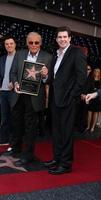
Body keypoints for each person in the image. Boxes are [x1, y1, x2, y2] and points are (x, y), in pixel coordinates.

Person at [44, 26, 87, 175]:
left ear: (69, 38)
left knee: (66, 132)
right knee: (56, 131)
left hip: (68, 100)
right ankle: (57, 159)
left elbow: (82, 77)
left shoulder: (76, 53)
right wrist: (45, 76)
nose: (62, 39)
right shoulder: (56, 55)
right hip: (55, 100)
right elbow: (53, 79)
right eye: (59, 37)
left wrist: (72, 96)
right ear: (56, 39)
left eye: (65, 37)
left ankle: (66, 164)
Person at [9, 32, 52, 166]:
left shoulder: (48, 57)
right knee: (16, 124)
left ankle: (28, 155)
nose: (33, 45)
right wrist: (15, 83)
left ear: (40, 43)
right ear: (27, 43)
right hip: (19, 95)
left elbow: (50, 80)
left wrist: (46, 75)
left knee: (30, 127)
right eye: (31, 42)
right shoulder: (20, 54)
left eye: (36, 42)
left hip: (34, 98)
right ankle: (16, 149)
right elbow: (13, 73)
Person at [0, 35, 16, 146]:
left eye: (11, 43)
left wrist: (15, 82)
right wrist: (1, 87)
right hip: (4, 91)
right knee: (4, 117)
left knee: (15, 117)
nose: (9, 46)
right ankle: (4, 140)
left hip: (14, 92)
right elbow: (2, 74)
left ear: (15, 44)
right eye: (7, 44)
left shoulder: (20, 57)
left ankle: (14, 142)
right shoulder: (2, 58)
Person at [85, 68, 101, 133]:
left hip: (98, 99)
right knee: (89, 113)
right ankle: (88, 126)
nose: (97, 72)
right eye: (96, 71)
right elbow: (87, 88)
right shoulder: (90, 79)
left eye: (98, 71)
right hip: (90, 98)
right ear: (94, 72)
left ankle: (92, 127)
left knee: (96, 113)